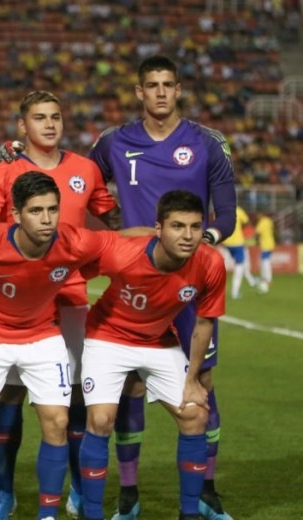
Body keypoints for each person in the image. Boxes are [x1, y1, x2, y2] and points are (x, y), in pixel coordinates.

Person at [85, 55, 237, 520]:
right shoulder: (113, 142)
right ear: (138, 91)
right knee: (128, 387)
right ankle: (128, 494)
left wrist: (200, 245)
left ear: (178, 90)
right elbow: (79, 184)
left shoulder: (207, 143)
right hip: (135, 280)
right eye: (151, 85)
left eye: (168, 84)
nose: (160, 92)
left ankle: (206, 490)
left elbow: (226, 215)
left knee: (202, 386)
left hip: (187, 285)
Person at [0, 90, 119, 519]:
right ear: (23, 126)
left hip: (70, 295)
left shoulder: (85, 169)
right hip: (14, 298)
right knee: (11, 397)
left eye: (56, 116)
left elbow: (108, 223)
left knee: (72, 400)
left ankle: (74, 489)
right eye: (39, 117)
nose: (50, 124)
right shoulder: (2, 169)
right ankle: (5, 492)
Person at [77, 189, 225, 520]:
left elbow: (204, 324)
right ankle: (91, 514)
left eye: (195, 227)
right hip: (108, 337)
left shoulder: (210, 262)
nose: (187, 236)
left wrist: (191, 381)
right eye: (177, 226)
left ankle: (189, 513)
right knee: (100, 420)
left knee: (195, 413)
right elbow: (75, 268)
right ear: (158, 229)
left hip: (159, 340)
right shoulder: (122, 253)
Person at [222, 206, 256, 300]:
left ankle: (250, 279)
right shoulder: (239, 210)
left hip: (226, 242)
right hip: (237, 242)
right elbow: (247, 223)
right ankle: (235, 292)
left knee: (223, 267)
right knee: (239, 265)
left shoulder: (223, 210)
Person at [254, 211, 275, 293]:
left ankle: (267, 279)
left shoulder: (262, 222)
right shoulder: (268, 220)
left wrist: (256, 241)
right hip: (271, 242)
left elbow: (257, 233)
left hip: (265, 244)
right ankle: (265, 278)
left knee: (265, 262)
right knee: (267, 261)